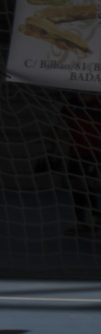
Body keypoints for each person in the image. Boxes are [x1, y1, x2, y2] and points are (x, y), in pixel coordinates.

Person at [59, 91, 101, 237]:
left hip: (94, 151)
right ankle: (81, 222)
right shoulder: (73, 101)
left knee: (86, 184)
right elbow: (63, 123)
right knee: (76, 186)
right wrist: (52, 146)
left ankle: (96, 217)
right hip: (75, 151)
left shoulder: (98, 102)